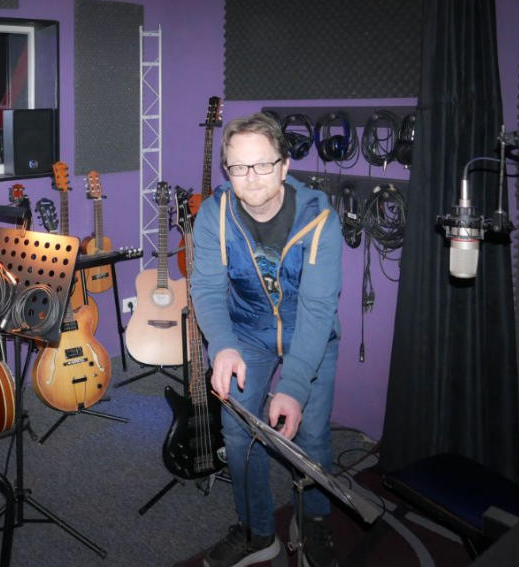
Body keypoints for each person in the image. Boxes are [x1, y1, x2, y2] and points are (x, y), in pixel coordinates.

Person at [190, 112, 342, 567]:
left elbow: (318, 309)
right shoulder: (213, 215)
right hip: (246, 333)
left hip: (309, 333)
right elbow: (207, 287)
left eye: (262, 164)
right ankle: (257, 531)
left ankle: (313, 519)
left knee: (312, 435)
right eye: (239, 167)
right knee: (237, 434)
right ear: (227, 170)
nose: (251, 177)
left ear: (284, 165)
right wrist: (222, 344)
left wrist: (293, 386)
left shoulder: (320, 219)